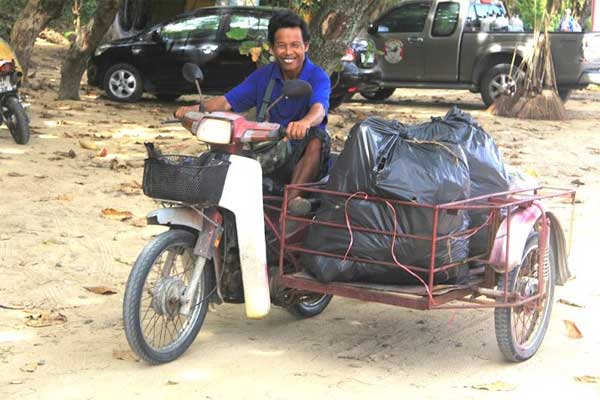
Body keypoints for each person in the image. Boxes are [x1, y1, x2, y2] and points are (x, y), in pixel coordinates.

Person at [175, 9, 331, 215]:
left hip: (299, 155)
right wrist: (191, 110)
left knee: (318, 137)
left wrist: (305, 123)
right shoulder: (263, 76)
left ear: (306, 46)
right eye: (281, 46)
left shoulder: (318, 76)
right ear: (273, 48)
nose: (288, 52)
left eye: (295, 45)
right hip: (267, 148)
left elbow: (319, 109)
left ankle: (291, 209)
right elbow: (226, 102)